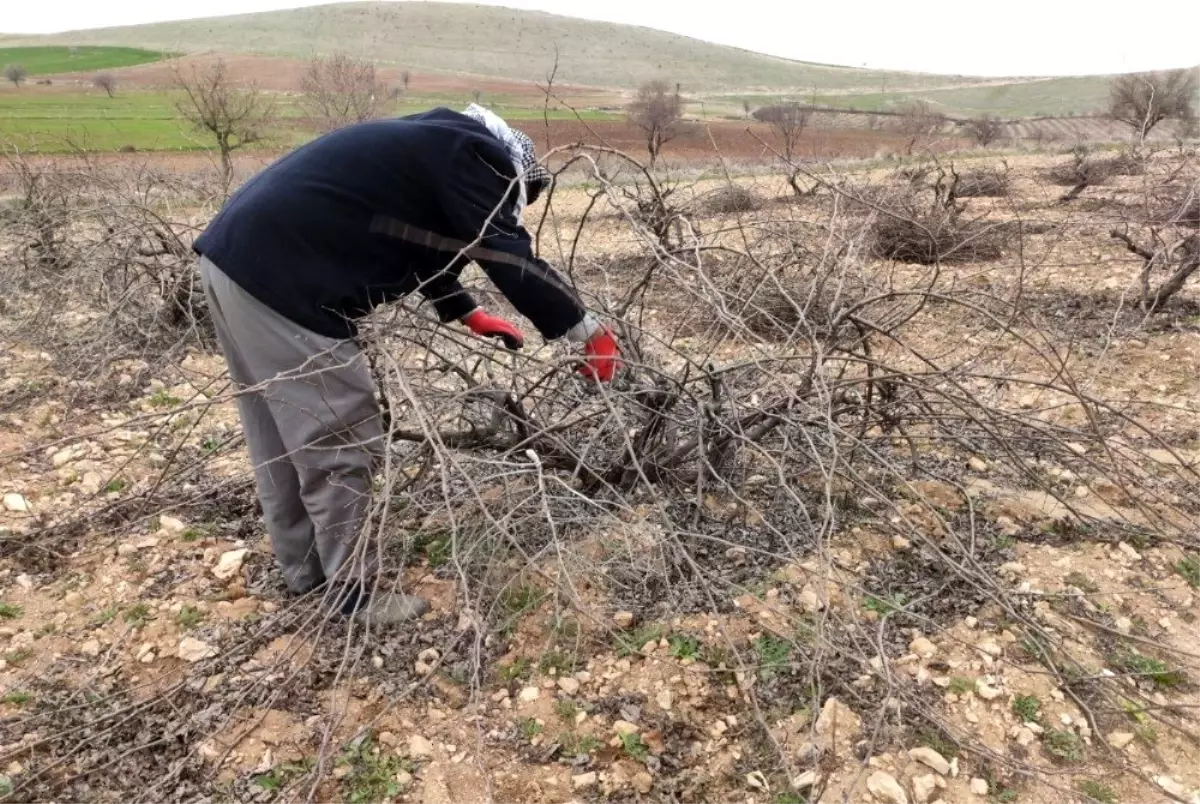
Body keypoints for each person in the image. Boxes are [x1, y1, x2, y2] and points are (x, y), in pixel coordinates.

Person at [192, 104, 620, 624]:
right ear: (512, 169)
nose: (507, 205)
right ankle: (350, 594)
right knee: (338, 436)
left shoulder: (434, 143)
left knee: (277, 434)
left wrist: (464, 310)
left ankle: (304, 571)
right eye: (512, 198)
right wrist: (585, 328)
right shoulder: (479, 157)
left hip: (236, 265)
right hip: (285, 280)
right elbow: (502, 249)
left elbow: (417, 235)